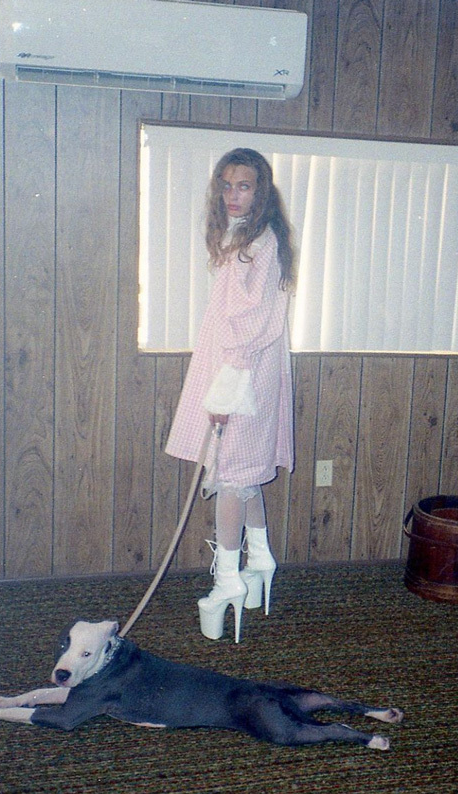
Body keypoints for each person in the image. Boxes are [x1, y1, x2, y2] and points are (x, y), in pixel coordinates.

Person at [165, 148, 295, 643]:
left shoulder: (259, 244)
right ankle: (259, 560)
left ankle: (226, 583)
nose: (234, 195)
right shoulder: (242, 238)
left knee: (230, 472)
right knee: (246, 470)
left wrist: (226, 388)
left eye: (244, 186)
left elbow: (256, 324)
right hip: (242, 368)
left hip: (242, 373)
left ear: (261, 191)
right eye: (226, 185)